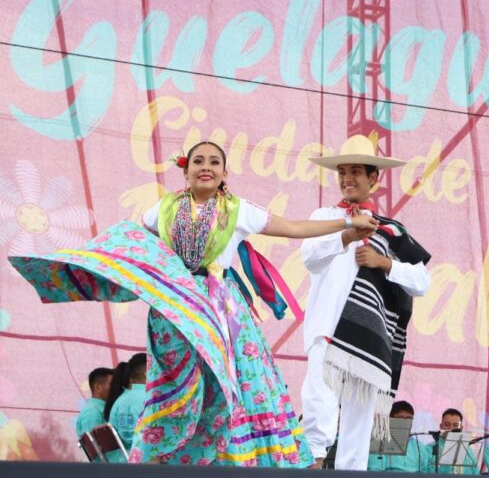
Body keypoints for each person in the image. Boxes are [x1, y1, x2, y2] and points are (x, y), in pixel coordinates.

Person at [10, 141, 378, 467]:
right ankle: (161, 456)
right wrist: (86, 262)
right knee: (174, 382)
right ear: (185, 172)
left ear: (224, 174)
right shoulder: (164, 208)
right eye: (198, 161)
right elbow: (130, 244)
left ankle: (237, 458)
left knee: (242, 382)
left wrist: (346, 226)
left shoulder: (239, 209)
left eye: (214, 162)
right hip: (175, 310)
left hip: (222, 310)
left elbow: (295, 228)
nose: (206, 166)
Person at [300, 133, 431, 471]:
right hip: (327, 325)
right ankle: (312, 463)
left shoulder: (390, 230)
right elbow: (310, 258)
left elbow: (422, 281)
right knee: (318, 400)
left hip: (368, 337)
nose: (347, 179)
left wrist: (384, 263)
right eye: (342, 172)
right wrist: (346, 234)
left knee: (358, 418)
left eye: (356, 172)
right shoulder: (325, 215)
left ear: (374, 178)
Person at [367, 400, 431, 473]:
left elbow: (425, 471)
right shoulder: (380, 443)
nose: (405, 422)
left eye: (409, 418)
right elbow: (374, 470)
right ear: (390, 419)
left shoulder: (419, 446)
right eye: (400, 418)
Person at [108, 353, 147, 452]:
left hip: (125, 459)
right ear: (147, 373)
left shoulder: (121, 400)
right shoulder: (148, 398)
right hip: (143, 460)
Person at [75, 367, 113, 437]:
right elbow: (94, 445)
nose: (116, 388)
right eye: (112, 385)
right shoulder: (92, 412)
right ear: (98, 387)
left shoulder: (101, 408)